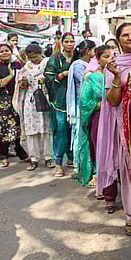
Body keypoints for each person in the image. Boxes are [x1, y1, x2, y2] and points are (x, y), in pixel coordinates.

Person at [96, 22, 131, 236]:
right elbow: (112, 101)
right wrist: (115, 78)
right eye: (126, 35)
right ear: (119, 39)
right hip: (124, 123)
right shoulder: (113, 66)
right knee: (128, 167)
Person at [0, 44, 29, 167]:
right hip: (3, 103)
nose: (4, 53)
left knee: (18, 127)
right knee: (3, 129)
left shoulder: (18, 65)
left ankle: (20, 151)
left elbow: (25, 79)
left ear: (11, 51)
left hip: (18, 100)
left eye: (7, 50)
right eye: (1, 51)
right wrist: (11, 76)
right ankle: (3, 155)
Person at [13, 44, 54, 171]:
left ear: (40, 53)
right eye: (31, 57)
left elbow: (53, 79)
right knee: (31, 131)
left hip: (45, 98)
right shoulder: (26, 68)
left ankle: (49, 157)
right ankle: (34, 158)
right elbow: (21, 85)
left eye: (35, 56)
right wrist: (22, 83)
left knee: (47, 130)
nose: (34, 59)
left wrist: (45, 81)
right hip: (30, 102)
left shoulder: (48, 64)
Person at [77, 45, 113, 187]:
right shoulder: (91, 77)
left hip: (115, 118)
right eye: (106, 56)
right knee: (99, 147)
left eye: (112, 56)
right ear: (97, 59)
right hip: (98, 118)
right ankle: (99, 177)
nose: (110, 59)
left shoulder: (117, 75)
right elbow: (85, 103)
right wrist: (106, 104)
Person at [45, 32, 75, 176]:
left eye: (72, 41)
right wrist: (62, 75)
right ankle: (58, 162)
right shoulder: (55, 58)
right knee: (61, 129)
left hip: (75, 98)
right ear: (62, 43)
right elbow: (48, 78)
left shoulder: (78, 57)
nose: (70, 44)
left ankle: (72, 157)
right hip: (60, 100)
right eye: (67, 41)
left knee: (74, 128)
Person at [67, 40, 96, 178]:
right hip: (82, 105)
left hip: (91, 104)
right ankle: (79, 167)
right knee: (81, 135)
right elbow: (87, 81)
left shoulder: (89, 65)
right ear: (89, 51)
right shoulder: (79, 65)